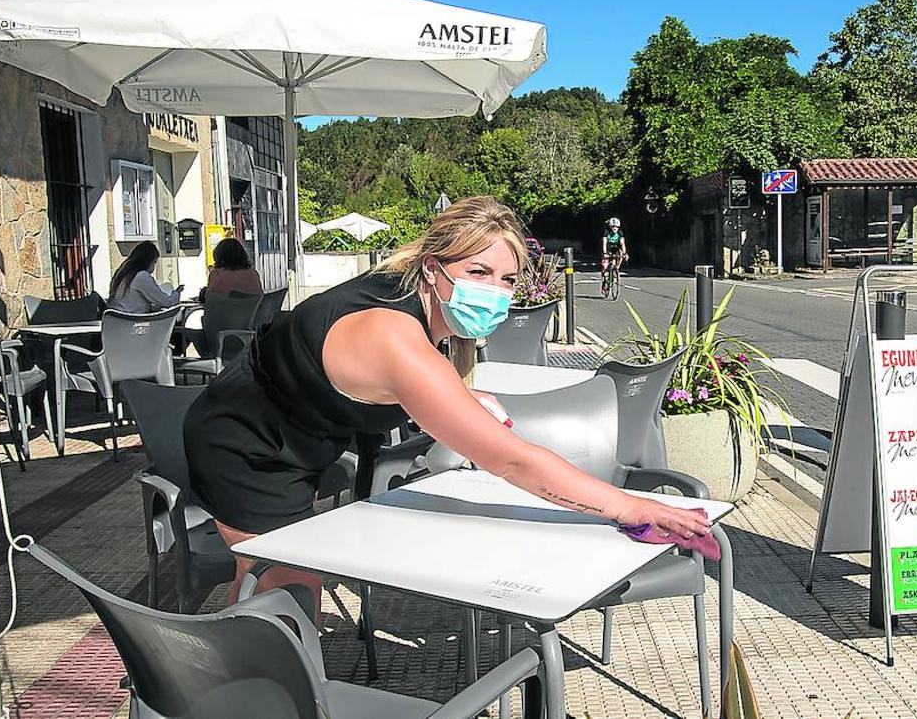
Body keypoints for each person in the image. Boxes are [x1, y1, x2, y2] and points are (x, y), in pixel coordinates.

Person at [184, 196, 710, 612]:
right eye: (478, 272)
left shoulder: (410, 296)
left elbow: (422, 388)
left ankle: (241, 675)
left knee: (270, 585)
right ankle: (241, 689)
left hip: (297, 442)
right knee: (287, 591)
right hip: (243, 447)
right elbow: (511, 460)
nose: (496, 292)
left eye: (507, 280)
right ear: (434, 268)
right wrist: (629, 505)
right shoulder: (395, 337)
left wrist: (462, 395)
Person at [108, 240, 182, 313]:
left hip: (117, 319)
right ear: (148, 261)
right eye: (154, 262)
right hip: (133, 320)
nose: (154, 266)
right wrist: (176, 293)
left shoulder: (123, 273)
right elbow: (167, 302)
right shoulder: (142, 277)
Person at [601, 216, 628, 296]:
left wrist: (624, 253)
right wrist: (605, 252)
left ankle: (616, 269)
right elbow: (604, 243)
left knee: (620, 254)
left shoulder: (620, 233)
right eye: (613, 227)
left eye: (617, 227)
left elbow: (623, 244)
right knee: (605, 268)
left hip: (616, 249)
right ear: (610, 226)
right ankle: (604, 283)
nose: (615, 228)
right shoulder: (606, 232)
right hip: (608, 249)